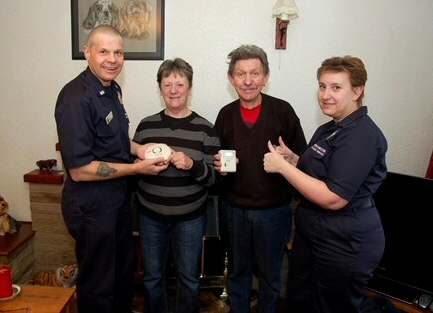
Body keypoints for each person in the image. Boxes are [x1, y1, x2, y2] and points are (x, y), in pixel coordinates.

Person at [54, 25, 168, 313]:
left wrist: (138, 149)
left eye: (118, 52)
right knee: (98, 284)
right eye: (103, 51)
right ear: (87, 53)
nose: (112, 59)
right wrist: (138, 168)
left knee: (121, 275)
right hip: (91, 206)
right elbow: (80, 170)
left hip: (116, 201)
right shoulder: (75, 99)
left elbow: (115, 140)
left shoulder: (111, 89)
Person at [263, 55, 388, 313]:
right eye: (322, 86)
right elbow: (320, 174)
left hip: (345, 239)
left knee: (330, 307)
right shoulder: (329, 128)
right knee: (300, 300)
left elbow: (334, 197)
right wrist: (294, 160)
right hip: (313, 232)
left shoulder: (361, 135)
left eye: (336, 87)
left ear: (358, 91)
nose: (326, 94)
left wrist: (282, 167)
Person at [213, 44, 307, 312]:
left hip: (274, 210)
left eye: (255, 73)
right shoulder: (225, 115)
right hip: (233, 209)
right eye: (241, 74)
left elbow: (303, 159)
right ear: (231, 79)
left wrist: (290, 159)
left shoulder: (283, 111)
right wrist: (218, 165)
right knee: (238, 272)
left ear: (266, 76)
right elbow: (216, 158)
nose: (248, 80)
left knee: (271, 273)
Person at [132, 58, 221, 313]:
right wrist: (144, 166)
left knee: (189, 280)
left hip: (190, 219)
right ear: (160, 88)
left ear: (190, 88)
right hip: (150, 217)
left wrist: (192, 164)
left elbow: (215, 179)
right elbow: (133, 168)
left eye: (180, 84)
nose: (173, 90)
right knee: (152, 279)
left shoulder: (206, 129)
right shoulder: (146, 126)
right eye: (167, 84)